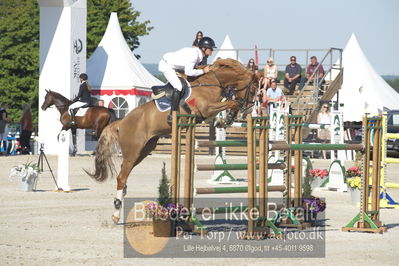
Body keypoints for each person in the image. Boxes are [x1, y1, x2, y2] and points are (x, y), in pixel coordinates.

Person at [159, 36, 216, 124]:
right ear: (204, 48)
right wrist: (203, 71)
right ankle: (172, 114)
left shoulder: (198, 54)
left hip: (176, 67)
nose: (212, 50)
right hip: (167, 66)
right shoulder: (194, 55)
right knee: (179, 86)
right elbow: (189, 72)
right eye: (211, 48)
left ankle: (188, 106)